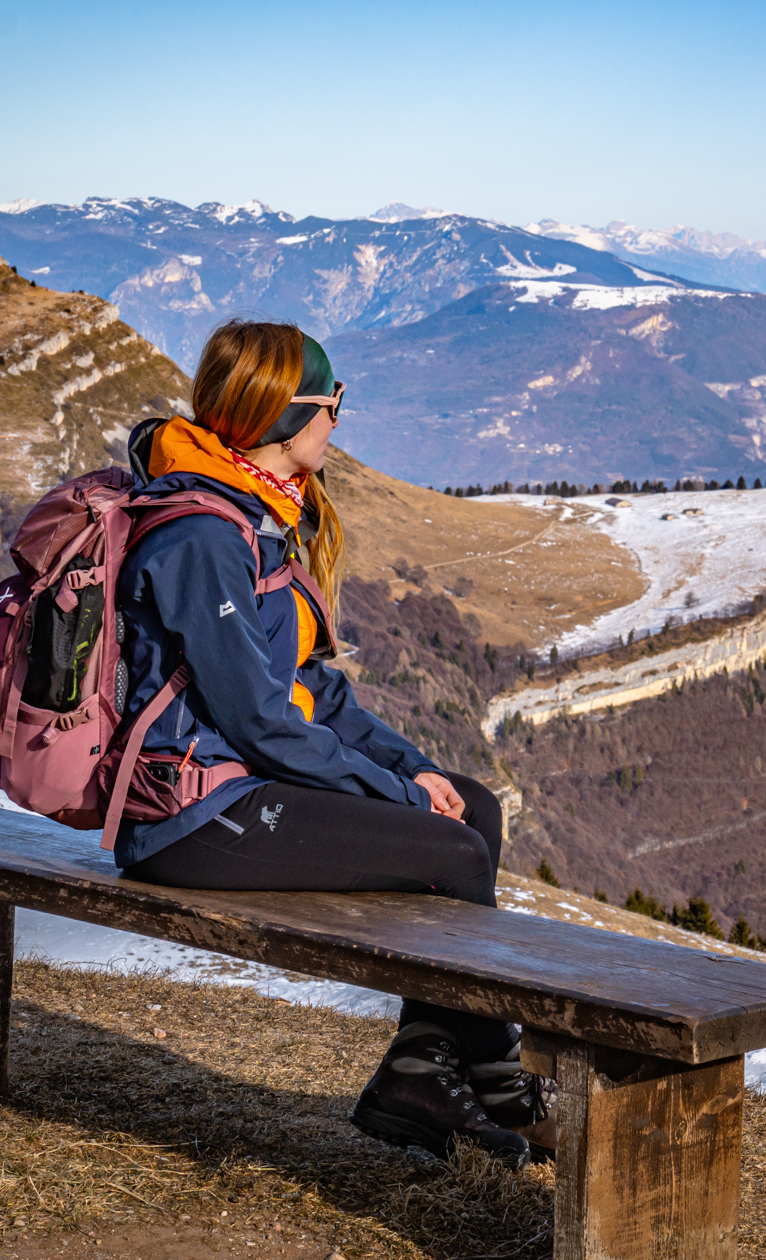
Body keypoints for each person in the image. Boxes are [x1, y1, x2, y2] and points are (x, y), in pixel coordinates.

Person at [111, 319, 546, 1165]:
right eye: (330, 400)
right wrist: (400, 797)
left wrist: (413, 768)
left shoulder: (261, 520)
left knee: (476, 809)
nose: (339, 418)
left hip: (238, 787)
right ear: (278, 414)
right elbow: (261, 723)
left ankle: (422, 1071)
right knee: (453, 854)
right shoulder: (203, 537)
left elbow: (320, 695)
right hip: (190, 812)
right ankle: (490, 1070)